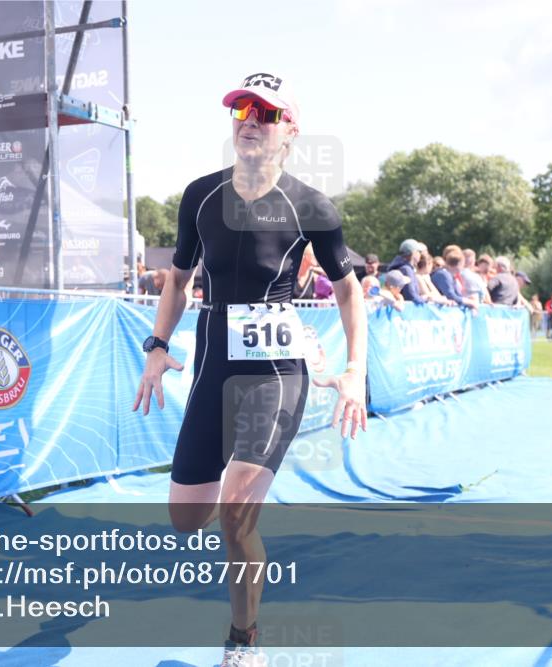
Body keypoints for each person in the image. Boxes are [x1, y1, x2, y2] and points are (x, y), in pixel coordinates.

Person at [132, 72, 367, 666]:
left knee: (236, 513)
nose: (252, 122)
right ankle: (243, 534)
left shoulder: (311, 205)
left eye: (265, 113)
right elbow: (178, 280)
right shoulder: (200, 196)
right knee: (188, 519)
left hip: (275, 372)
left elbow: (349, 291)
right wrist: (157, 346)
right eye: (242, 112)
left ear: (290, 130)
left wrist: (355, 368)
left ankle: (244, 643)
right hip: (214, 364)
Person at [431, 247, 479, 312]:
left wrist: (469, 301)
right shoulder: (443, 274)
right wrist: (470, 302)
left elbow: (458, 295)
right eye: (463, 265)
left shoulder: (451, 275)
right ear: (459, 264)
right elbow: (451, 295)